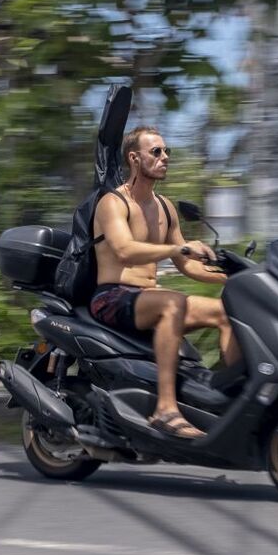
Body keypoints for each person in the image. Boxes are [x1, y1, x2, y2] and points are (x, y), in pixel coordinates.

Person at [91, 126, 239, 439]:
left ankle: (226, 404)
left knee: (227, 312)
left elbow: (188, 265)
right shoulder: (114, 203)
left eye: (166, 151)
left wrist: (239, 277)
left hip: (148, 297)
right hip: (111, 297)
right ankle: (166, 409)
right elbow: (125, 250)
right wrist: (177, 248)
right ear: (134, 158)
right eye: (156, 152)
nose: (165, 157)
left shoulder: (165, 208)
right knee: (173, 302)